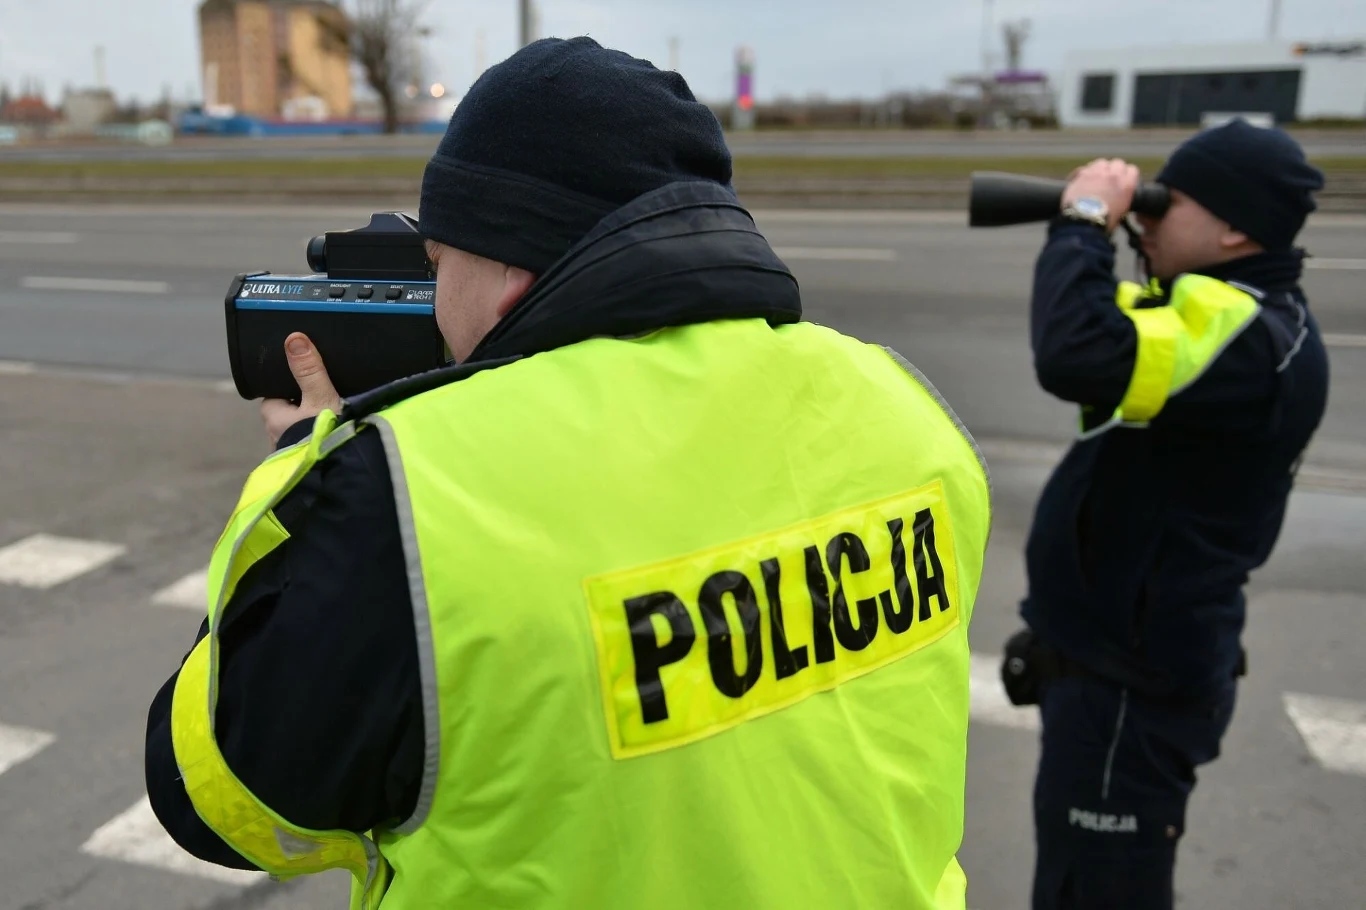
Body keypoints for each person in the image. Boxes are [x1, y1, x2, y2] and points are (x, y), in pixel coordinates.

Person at [145, 38, 992, 909]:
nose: (434, 304)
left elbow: (216, 798)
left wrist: (309, 483)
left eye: (439, 266)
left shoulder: (407, 497)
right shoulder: (903, 405)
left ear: (511, 265)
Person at [1003, 119, 1330, 910]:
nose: (1144, 218)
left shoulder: (1244, 333)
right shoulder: (1222, 318)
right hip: (1112, 660)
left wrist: (1086, 222)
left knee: (1099, 893)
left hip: (1130, 684)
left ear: (1234, 229)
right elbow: (1095, 330)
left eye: (1165, 203)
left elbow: (1077, 350)